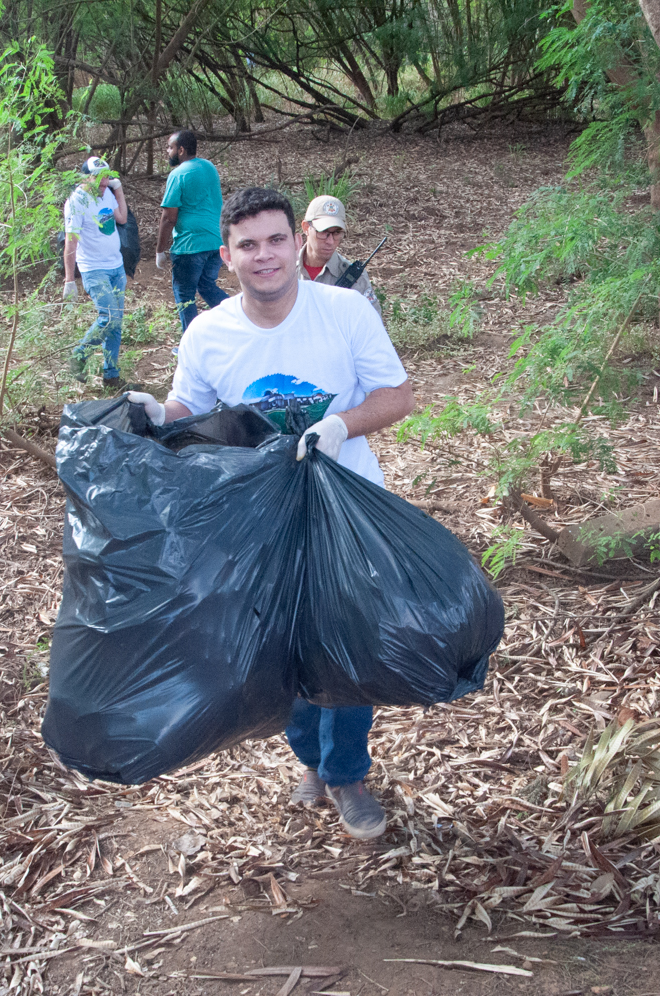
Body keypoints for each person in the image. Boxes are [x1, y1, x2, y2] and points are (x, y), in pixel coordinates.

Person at [125, 187, 415, 839]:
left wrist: (342, 424)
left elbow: (398, 395)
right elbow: (188, 413)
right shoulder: (209, 333)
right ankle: (310, 757)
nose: (264, 256)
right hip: (259, 517)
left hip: (346, 509)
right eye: (248, 245)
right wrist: (153, 414)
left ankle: (347, 773)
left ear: (296, 242)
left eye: (276, 240)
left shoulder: (343, 312)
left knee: (350, 647)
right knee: (279, 653)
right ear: (226, 257)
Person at [63, 156, 130, 390]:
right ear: (86, 177)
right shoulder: (77, 201)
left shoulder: (107, 193)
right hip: (94, 269)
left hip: (116, 267)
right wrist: (69, 280)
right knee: (109, 317)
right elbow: (71, 242)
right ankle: (79, 355)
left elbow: (121, 217)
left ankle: (111, 375)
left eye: (107, 179)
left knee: (116, 322)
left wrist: (117, 189)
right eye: (99, 180)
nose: (104, 183)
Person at [156, 130, 226, 331]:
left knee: (185, 296)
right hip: (215, 241)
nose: (168, 151)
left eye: (170, 147)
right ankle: (241, 319)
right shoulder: (209, 167)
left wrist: (160, 249)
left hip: (190, 245)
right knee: (207, 286)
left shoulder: (178, 174)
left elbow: (169, 217)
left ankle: (189, 343)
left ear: (181, 150)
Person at [296, 194, 380, 316]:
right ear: (306, 227)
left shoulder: (355, 278)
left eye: (337, 233)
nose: (330, 241)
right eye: (323, 232)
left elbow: (372, 324)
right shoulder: (285, 270)